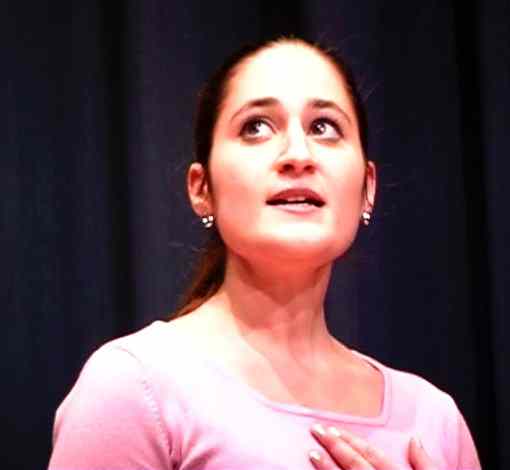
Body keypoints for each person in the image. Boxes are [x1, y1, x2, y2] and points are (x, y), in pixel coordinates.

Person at [48, 37, 482, 470]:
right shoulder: (134, 388)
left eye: (323, 127)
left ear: (368, 187)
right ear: (202, 188)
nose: (298, 155)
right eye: (255, 127)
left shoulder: (434, 421)